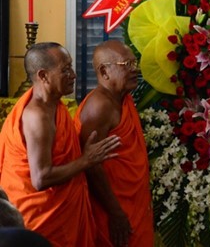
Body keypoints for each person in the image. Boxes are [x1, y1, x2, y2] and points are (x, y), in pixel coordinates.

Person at [0, 42, 121, 247]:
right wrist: (86, 160)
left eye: (71, 67)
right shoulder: (37, 116)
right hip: (40, 219)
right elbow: (41, 178)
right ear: (43, 75)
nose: (73, 75)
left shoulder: (55, 105)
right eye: (65, 70)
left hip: (62, 213)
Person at [74, 40, 154, 247]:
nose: (134, 69)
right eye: (126, 65)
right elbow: (91, 165)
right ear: (104, 71)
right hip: (111, 207)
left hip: (131, 201)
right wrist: (115, 212)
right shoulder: (99, 106)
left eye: (134, 63)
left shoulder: (122, 99)